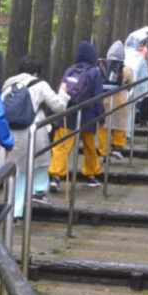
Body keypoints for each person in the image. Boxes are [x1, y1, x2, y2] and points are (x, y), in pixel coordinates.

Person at [0, 55, 69, 220]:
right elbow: (58, 106)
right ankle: (37, 192)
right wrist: (64, 92)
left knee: (16, 171)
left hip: (10, 132)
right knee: (39, 161)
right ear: (37, 72)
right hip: (33, 130)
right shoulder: (40, 84)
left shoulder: (8, 83)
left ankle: (14, 211)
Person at [48, 40, 104, 191]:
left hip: (68, 114)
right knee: (90, 146)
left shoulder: (70, 70)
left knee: (61, 146)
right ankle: (92, 175)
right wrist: (101, 117)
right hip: (88, 115)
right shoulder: (94, 72)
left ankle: (56, 176)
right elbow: (98, 96)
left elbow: (62, 89)